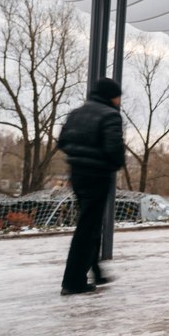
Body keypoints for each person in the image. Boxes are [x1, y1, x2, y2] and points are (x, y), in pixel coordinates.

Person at [57, 77, 126, 296]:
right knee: (87, 228)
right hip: (97, 175)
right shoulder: (110, 116)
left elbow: (62, 141)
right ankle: (73, 281)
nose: (119, 100)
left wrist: (78, 157)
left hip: (77, 174)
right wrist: (113, 164)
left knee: (90, 223)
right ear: (111, 96)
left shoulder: (77, 113)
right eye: (117, 96)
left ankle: (96, 271)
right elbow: (113, 147)